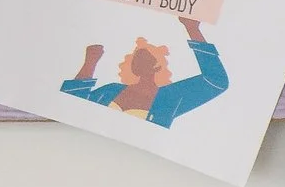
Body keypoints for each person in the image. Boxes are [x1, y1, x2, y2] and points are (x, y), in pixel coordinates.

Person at [63, 29, 230, 128]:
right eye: (138, 54)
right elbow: (69, 104)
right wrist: (90, 62)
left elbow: (216, 81)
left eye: (149, 55)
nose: (141, 54)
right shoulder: (110, 90)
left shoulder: (169, 99)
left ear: (160, 65)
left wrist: (193, 29)